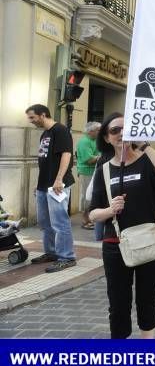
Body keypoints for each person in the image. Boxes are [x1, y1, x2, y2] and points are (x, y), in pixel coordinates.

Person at [89, 112, 155, 339]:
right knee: (118, 304)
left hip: (151, 241)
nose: (121, 133)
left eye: (127, 128)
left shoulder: (147, 159)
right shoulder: (104, 169)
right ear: (106, 138)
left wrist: (141, 142)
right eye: (115, 130)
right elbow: (93, 213)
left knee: (147, 299)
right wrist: (109, 210)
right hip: (116, 245)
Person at [25, 104, 77, 273]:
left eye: (32, 117)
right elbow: (45, 161)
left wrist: (59, 179)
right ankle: (51, 253)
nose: (31, 121)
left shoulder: (60, 130)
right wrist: (39, 185)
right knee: (44, 222)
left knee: (59, 222)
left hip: (57, 185)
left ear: (43, 114)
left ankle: (67, 257)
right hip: (44, 185)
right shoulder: (45, 134)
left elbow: (66, 155)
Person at [76, 122, 101, 229]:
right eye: (98, 130)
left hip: (95, 171)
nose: (100, 132)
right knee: (87, 196)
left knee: (93, 196)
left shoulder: (96, 140)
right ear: (91, 131)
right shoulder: (84, 142)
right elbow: (89, 160)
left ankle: (91, 219)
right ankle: (86, 221)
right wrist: (102, 156)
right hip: (86, 171)